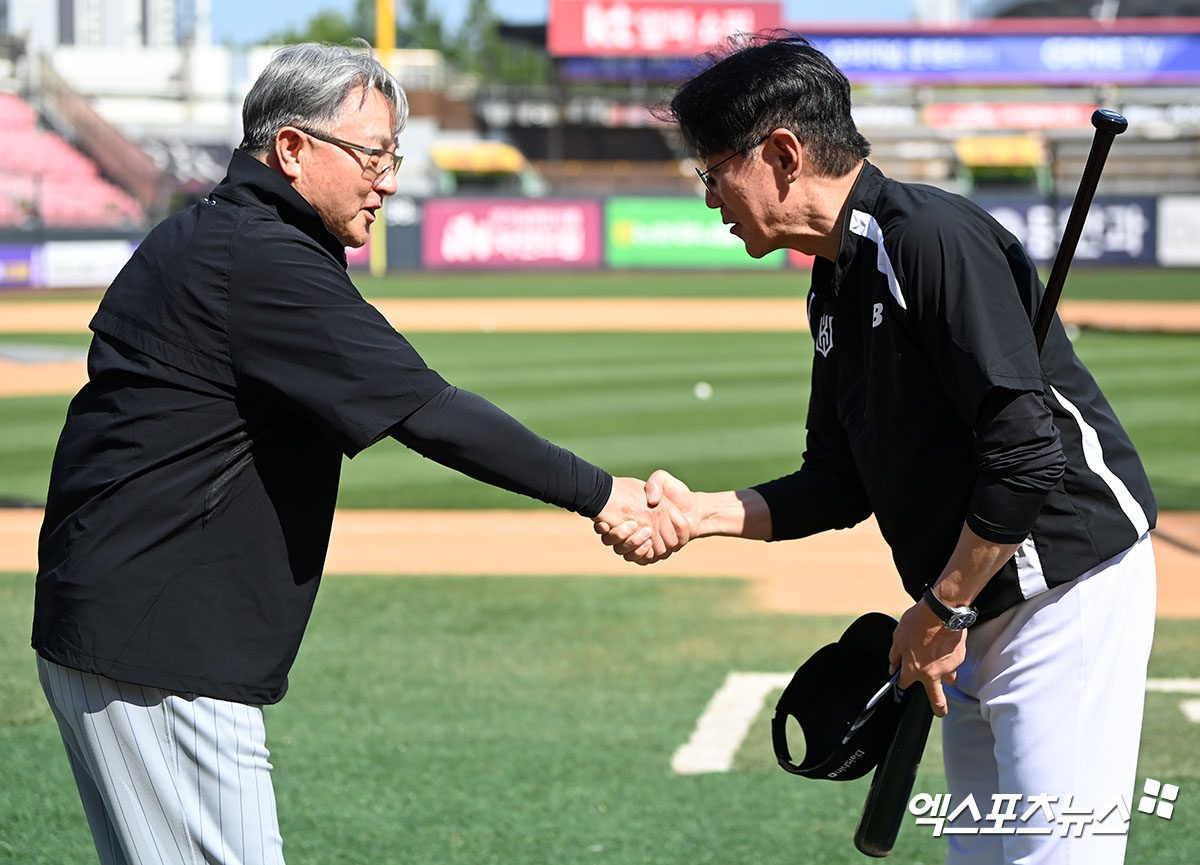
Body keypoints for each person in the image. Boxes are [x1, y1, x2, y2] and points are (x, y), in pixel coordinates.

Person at [32, 41, 679, 865]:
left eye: (395, 154)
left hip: (136, 632)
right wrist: (604, 493)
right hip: (160, 651)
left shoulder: (226, 237)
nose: (391, 178)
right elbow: (428, 410)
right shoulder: (258, 258)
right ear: (293, 150)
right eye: (373, 153)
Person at [602, 33, 1157, 865]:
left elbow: (1025, 455)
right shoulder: (835, 279)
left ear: (782, 154)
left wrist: (940, 610)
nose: (710, 196)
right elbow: (837, 481)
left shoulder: (930, 240)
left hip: (1060, 587)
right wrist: (700, 514)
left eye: (712, 169)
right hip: (965, 601)